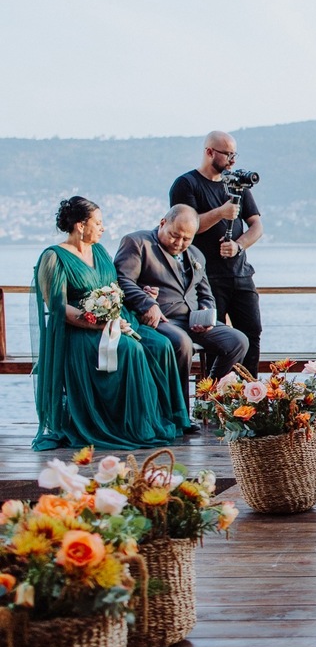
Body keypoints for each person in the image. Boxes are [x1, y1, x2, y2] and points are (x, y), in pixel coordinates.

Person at [31, 197, 191, 451]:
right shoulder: (54, 257)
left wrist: (143, 293)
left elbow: (115, 289)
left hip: (117, 319)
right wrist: (96, 323)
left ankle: (166, 418)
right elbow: (59, 307)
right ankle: (129, 425)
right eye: (98, 223)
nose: (103, 228)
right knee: (131, 349)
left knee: (161, 344)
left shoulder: (100, 252)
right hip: (79, 330)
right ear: (81, 225)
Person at [114, 205, 249, 390]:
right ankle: (180, 405)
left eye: (186, 239)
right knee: (182, 343)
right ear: (163, 223)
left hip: (193, 321)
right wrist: (148, 303)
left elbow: (206, 293)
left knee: (238, 341)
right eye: (174, 235)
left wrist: (206, 313)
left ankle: (209, 396)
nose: (179, 243)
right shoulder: (138, 242)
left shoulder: (196, 254)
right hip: (160, 320)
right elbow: (123, 279)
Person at [169, 131, 264, 374]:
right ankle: (212, 393)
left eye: (235, 154)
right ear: (209, 152)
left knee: (252, 332)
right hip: (207, 277)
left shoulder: (237, 184)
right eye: (227, 154)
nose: (233, 160)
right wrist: (221, 212)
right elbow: (187, 226)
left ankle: (250, 391)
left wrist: (238, 245)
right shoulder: (186, 184)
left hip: (240, 274)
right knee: (214, 338)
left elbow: (257, 226)